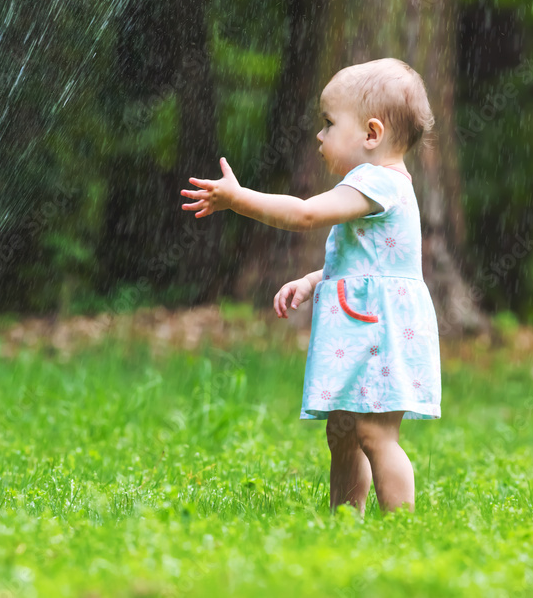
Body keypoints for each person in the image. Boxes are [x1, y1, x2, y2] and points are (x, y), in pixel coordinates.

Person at [180, 58, 441, 515]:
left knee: (375, 434)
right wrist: (313, 280)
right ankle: (346, 521)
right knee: (342, 432)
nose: (319, 137)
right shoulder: (383, 185)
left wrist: (238, 199)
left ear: (371, 134)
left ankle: (403, 526)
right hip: (365, 328)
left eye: (328, 124)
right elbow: (373, 265)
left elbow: (303, 215)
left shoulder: (376, 180)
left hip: (379, 335)